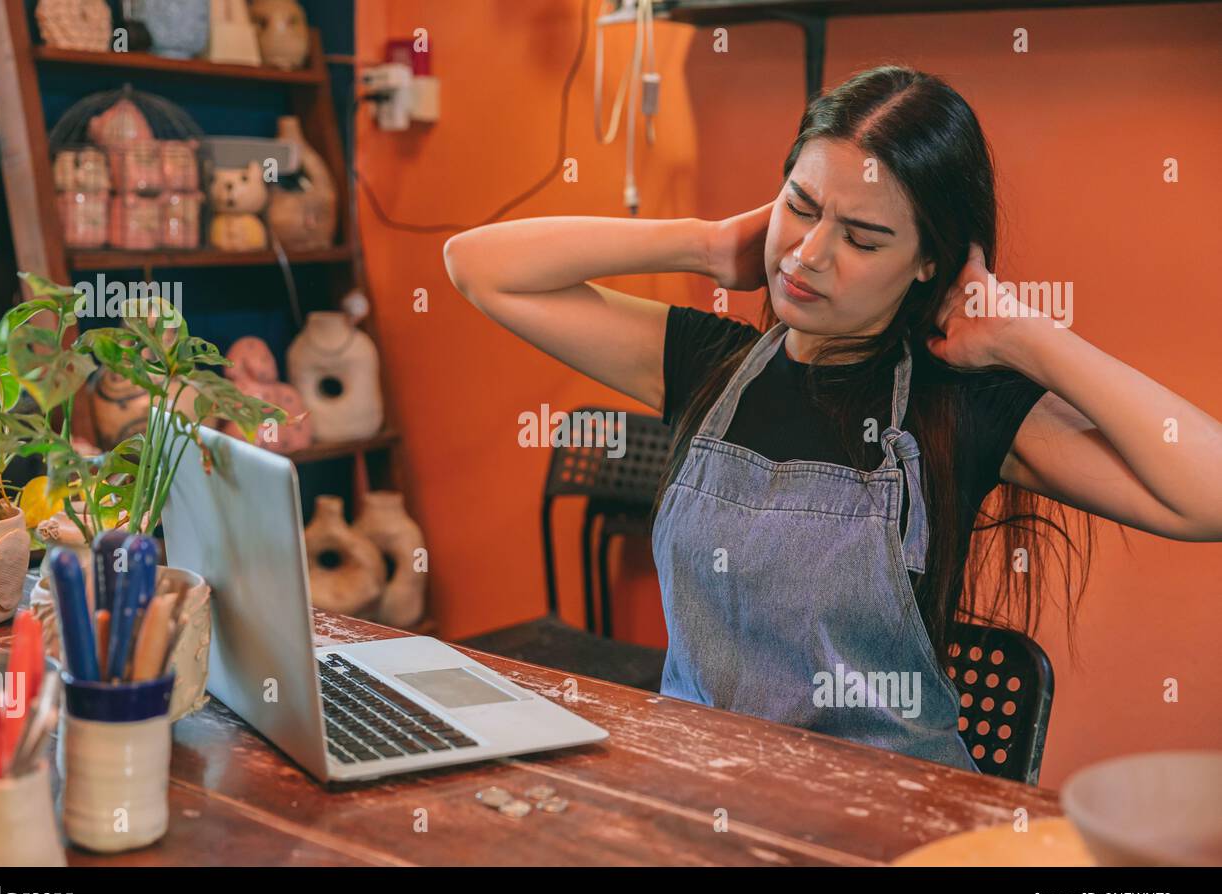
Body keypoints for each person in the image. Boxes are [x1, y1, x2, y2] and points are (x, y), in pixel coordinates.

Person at [442, 65, 1222, 772]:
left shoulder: (961, 407)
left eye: (862, 237)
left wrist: (1027, 335)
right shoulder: (708, 365)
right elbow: (479, 267)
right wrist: (707, 244)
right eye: (801, 207)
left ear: (929, 263)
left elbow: (1208, 494)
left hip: (889, 817)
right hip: (698, 795)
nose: (809, 254)